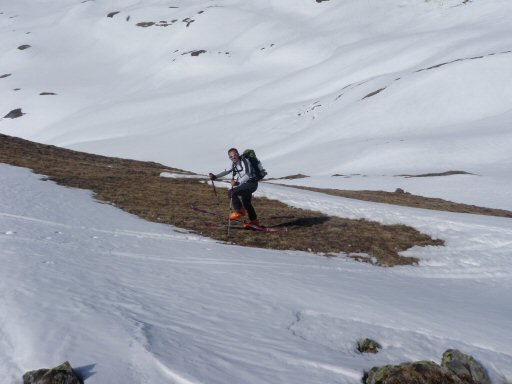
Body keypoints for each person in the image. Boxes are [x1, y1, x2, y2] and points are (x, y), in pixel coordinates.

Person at [209, 148, 259, 227]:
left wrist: (237, 182)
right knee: (247, 204)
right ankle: (254, 221)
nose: (234, 157)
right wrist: (215, 176)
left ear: (238, 154)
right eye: (231, 156)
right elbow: (226, 171)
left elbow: (248, 174)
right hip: (244, 185)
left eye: (235, 155)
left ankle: (239, 211)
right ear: (229, 158)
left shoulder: (244, 161)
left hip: (251, 183)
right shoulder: (233, 163)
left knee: (231, 192)